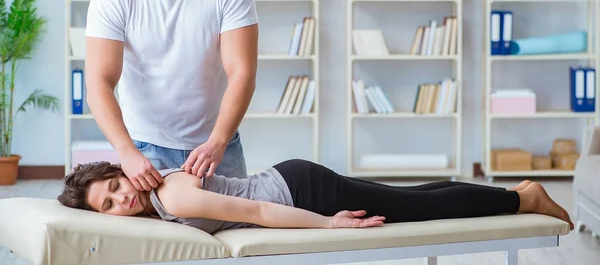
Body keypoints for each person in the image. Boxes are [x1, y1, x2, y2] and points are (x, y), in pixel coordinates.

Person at [84, 0, 259, 192]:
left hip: (218, 143)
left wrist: (217, 141)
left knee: (239, 229)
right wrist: (126, 151)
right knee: (157, 240)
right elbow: (99, 82)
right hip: (144, 150)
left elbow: (242, 72)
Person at [57, 158, 574, 233]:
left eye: (114, 186)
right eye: (106, 204)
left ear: (121, 173)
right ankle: (515, 193)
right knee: (416, 197)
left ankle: (524, 199)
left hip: (300, 190)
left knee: (421, 209)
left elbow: (256, 211)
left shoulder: (173, 197)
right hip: (293, 178)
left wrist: (329, 224)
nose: (119, 200)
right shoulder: (159, 195)